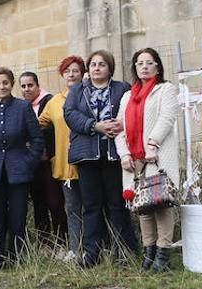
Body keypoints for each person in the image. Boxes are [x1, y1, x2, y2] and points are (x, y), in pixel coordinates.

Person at [64, 49, 138, 268]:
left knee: (117, 205)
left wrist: (121, 124)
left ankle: (124, 252)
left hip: (114, 155)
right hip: (87, 156)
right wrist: (94, 126)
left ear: (110, 68)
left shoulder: (122, 88)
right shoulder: (78, 90)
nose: (97, 68)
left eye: (102, 64)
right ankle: (91, 253)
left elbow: (132, 112)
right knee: (92, 205)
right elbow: (70, 114)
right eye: (93, 64)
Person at [115, 48, 179, 272]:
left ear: (157, 67)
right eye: (139, 63)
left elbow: (167, 117)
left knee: (160, 205)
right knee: (143, 207)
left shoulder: (165, 90)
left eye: (149, 63)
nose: (143, 66)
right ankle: (148, 253)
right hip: (134, 161)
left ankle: (163, 256)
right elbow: (119, 128)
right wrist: (123, 154)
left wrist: (153, 144)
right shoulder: (127, 96)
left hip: (157, 157)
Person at [0, 67, 44, 262]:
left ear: (11, 84)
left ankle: (17, 255)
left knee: (18, 217)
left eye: (5, 83)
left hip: (19, 172)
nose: (1, 87)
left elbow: (37, 140)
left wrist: (28, 162)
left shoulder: (23, 107)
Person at [37, 56, 85, 261]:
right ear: (62, 75)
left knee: (95, 207)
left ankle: (99, 246)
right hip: (66, 165)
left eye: (75, 70)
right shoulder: (55, 102)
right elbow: (38, 124)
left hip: (90, 161)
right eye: (68, 71)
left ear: (82, 73)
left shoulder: (90, 95)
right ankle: (76, 248)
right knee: (72, 208)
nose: (72, 74)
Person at [19, 71, 66, 246]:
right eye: (23, 86)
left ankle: (63, 241)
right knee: (39, 203)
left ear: (38, 85)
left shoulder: (50, 101)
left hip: (50, 160)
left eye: (30, 85)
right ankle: (44, 243)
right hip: (31, 163)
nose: (27, 89)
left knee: (55, 202)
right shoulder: (22, 106)